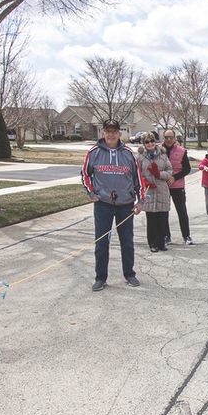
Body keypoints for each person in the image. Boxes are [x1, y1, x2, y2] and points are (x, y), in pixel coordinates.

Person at [81, 119, 143, 291]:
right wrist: (92, 193)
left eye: (114, 132)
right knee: (101, 243)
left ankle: (129, 274)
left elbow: (138, 178)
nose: (111, 135)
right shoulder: (93, 152)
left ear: (119, 134)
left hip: (125, 204)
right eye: (107, 131)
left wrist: (141, 201)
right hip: (103, 205)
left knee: (127, 242)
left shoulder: (129, 154)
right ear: (102, 133)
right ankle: (100, 277)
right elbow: (85, 175)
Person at [137, 133, 173, 252]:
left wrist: (159, 174)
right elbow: (136, 173)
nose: (150, 144)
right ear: (144, 143)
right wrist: (145, 182)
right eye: (147, 142)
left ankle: (161, 243)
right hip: (149, 190)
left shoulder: (162, 155)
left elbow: (169, 170)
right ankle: (152, 243)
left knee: (162, 218)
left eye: (152, 141)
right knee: (151, 219)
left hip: (161, 189)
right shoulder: (140, 157)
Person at [162, 130, 193, 246]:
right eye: (166, 137)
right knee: (163, 212)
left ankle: (186, 236)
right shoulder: (158, 150)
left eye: (171, 137)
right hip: (163, 185)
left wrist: (174, 178)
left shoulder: (181, 151)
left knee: (182, 211)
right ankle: (166, 236)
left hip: (177, 185)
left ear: (175, 138)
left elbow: (187, 169)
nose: (169, 139)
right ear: (163, 138)